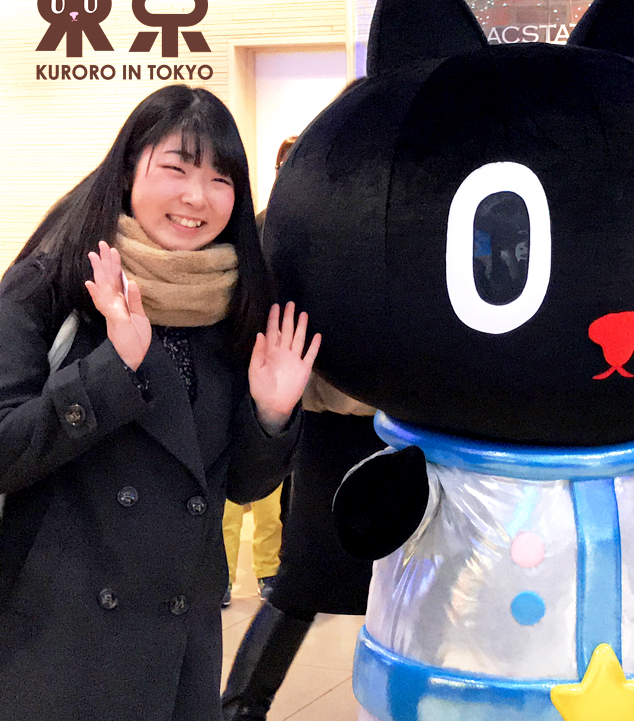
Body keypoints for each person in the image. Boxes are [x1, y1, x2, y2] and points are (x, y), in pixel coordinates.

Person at [0, 85, 320, 721]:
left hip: (180, 649)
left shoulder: (232, 304)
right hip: (57, 642)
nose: (198, 197)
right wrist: (111, 369)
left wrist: (271, 414)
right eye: (176, 168)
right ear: (127, 173)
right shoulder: (51, 287)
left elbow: (240, 487)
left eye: (220, 179)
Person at [221, 131, 376, 721]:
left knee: (405, 581)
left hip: (387, 425)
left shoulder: (370, 221)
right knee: (302, 580)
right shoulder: (284, 229)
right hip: (330, 421)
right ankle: (241, 706)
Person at [220, 136, 301, 608]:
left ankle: (269, 569)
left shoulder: (307, 231)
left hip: (283, 367)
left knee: (271, 488)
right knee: (228, 492)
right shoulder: (252, 230)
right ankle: (223, 575)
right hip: (239, 359)